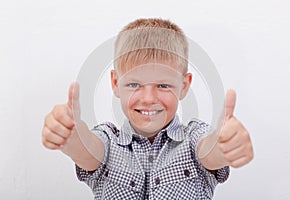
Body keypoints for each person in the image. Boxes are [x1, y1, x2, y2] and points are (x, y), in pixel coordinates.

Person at [42, 18, 253, 199]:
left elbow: (209, 152)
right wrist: (71, 137)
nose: (149, 98)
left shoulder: (194, 138)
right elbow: (88, 151)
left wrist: (225, 145)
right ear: (115, 83)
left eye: (163, 85)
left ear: (184, 85)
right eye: (134, 85)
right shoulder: (107, 140)